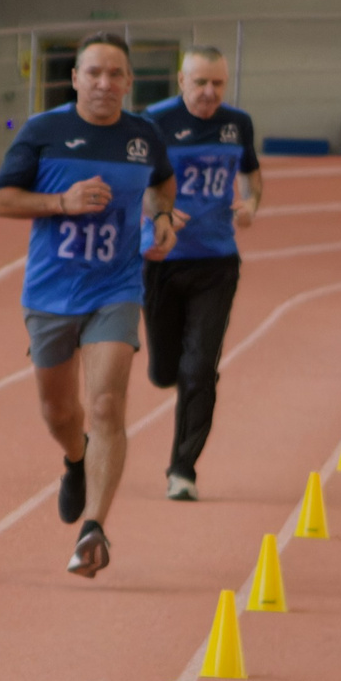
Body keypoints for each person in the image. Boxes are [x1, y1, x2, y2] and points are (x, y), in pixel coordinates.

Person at [0, 34, 179, 575]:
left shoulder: (143, 136)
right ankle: (75, 458)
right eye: (93, 73)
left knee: (105, 407)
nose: (104, 83)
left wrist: (161, 218)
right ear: (74, 78)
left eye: (115, 74)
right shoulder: (43, 132)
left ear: (128, 82)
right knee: (60, 413)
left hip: (115, 288)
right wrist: (60, 203)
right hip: (51, 294)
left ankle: (94, 526)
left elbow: (161, 186)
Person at [142, 45, 260, 499]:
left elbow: (252, 173)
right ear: (181, 81)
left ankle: (182, 469)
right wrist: (160, 212)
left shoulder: (237, 124)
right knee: (164, 370)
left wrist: (250, 201)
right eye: (200, 83)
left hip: (217, 261)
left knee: (199, 368)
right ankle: (172, 370)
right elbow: (136, 184)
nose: (210, 92)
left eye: (218, 83)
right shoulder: (153, 122)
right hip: (161, 260)